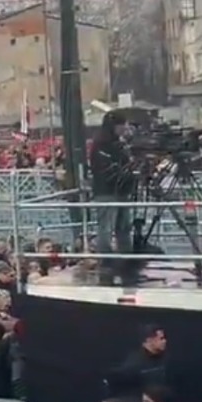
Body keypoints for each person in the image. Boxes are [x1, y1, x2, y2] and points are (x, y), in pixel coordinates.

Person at [87, 110, 135, 285]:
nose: (125, 128)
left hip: (121, 191)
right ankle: (106, 261)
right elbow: (104, 170)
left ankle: (126, 258)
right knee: (106, 228)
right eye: (123, 125)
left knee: (123, 226)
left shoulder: (118, 144)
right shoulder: (100, 145)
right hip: (106, 192)